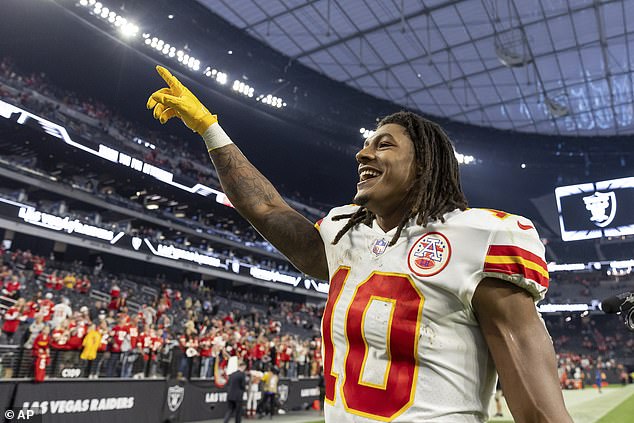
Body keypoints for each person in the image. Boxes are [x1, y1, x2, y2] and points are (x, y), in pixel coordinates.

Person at [148, 66, 572, 422]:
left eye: (383, 145)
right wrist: (210, 129)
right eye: (366, 144)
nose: (363, 154)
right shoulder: (346, 233)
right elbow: (266, 209)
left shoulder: (480, 237)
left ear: (424, 165)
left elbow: (539, 410)